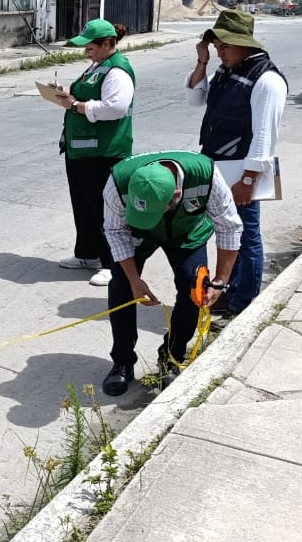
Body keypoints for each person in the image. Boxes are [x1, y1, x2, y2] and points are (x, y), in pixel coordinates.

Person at [100, 150, 242, 397]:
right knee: (121, 287)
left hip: (187, 230)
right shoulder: (117, 182)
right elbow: (114, 231)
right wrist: (135, 280)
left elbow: (229, 226)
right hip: (137, 233)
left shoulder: (207, 176)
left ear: (176, 195)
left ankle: (171, 356)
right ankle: (122, 361)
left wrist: (220, 281)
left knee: (193, 287)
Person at [186, 9, 287, 317]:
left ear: (247, 44)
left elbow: (264, 136)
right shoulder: (228, 70)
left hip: (241, 171)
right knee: (231, 232)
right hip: (219, 165)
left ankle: (245, 304)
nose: (220, 51)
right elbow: (194, 98)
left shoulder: (266, 79)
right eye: (217, 46)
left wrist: (248, 180)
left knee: (247, 235)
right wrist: (202, 62)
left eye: (225, 46)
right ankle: (233, 294)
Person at [53, 19, 135, 288]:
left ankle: (113, 263)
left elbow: (116, 107)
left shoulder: (118, 70)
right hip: (80, 150)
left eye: (90, 48)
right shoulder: (97, 66)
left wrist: (76, 104)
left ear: (108, 44)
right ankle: (88, 254)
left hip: (103, 152)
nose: (86, 52)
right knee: (83, 205)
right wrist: (65, 94)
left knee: (105, 210)